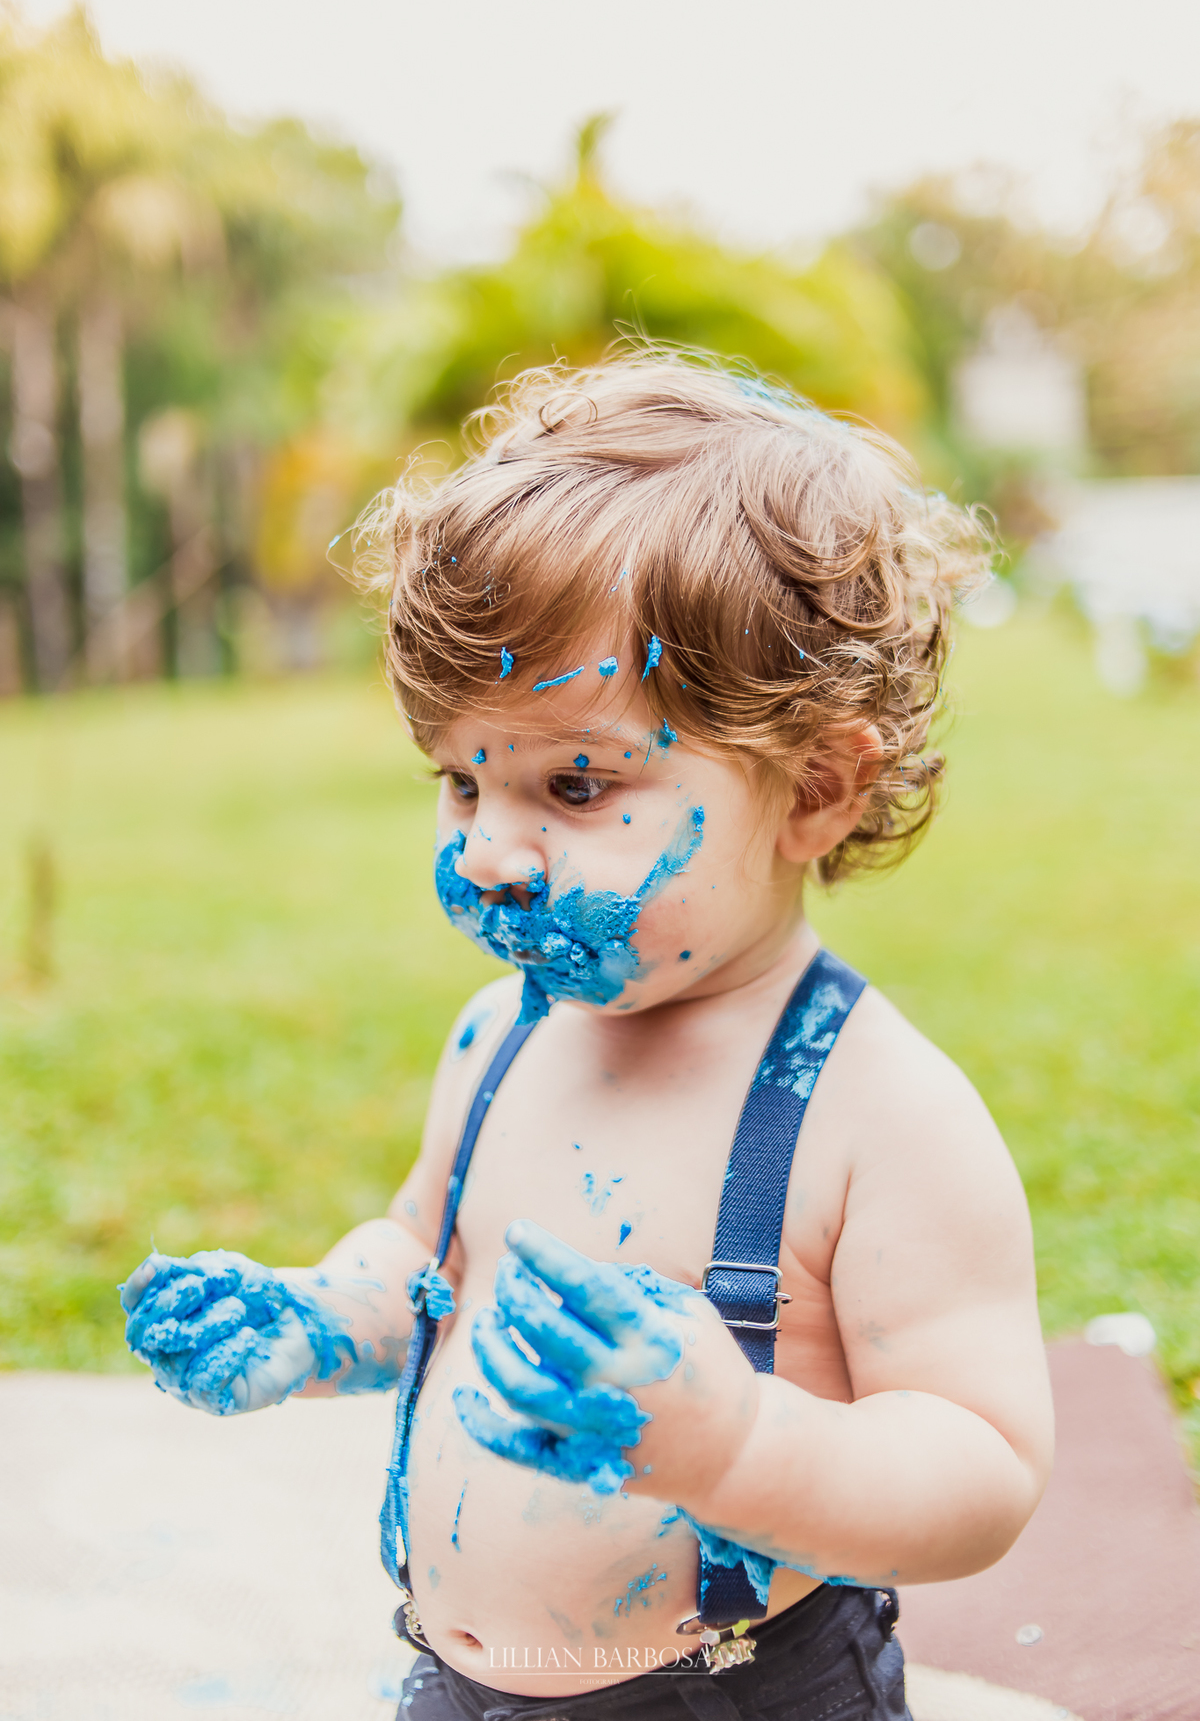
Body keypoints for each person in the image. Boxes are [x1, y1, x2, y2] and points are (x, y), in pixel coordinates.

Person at [121, 353, 1054, 1721]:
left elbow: (982, 1470)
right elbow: (430, 1259)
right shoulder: (499, 1035)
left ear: (817, 789)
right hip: (457, 1678)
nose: (491, 850)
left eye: (573, 780)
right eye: (460, 778)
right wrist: (323, 1315)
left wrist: (734, 1443)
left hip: (737, 1693)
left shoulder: (878, 1111)